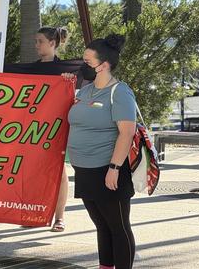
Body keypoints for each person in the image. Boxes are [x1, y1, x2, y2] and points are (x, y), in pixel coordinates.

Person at [64, 34, 136, 269]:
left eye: (87, 62)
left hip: (108, 169)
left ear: (103, 65)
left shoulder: (120, 92)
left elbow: (126, 133)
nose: (82, 66)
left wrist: (114, 168)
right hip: (84, 169)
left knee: (118, 227)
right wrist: (64, 83)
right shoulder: (84, 92)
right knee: (101, 225)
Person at [35, 26, 69, 232]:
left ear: (52, 44)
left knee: (60, 172)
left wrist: (67, 82)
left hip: (57, 125)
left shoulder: (65, 69)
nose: (36, 45)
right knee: (33, 171)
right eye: (35, 41)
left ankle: (59, 218)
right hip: (33, 126)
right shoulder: (31, 69)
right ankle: (35, 213)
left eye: (40, 41)